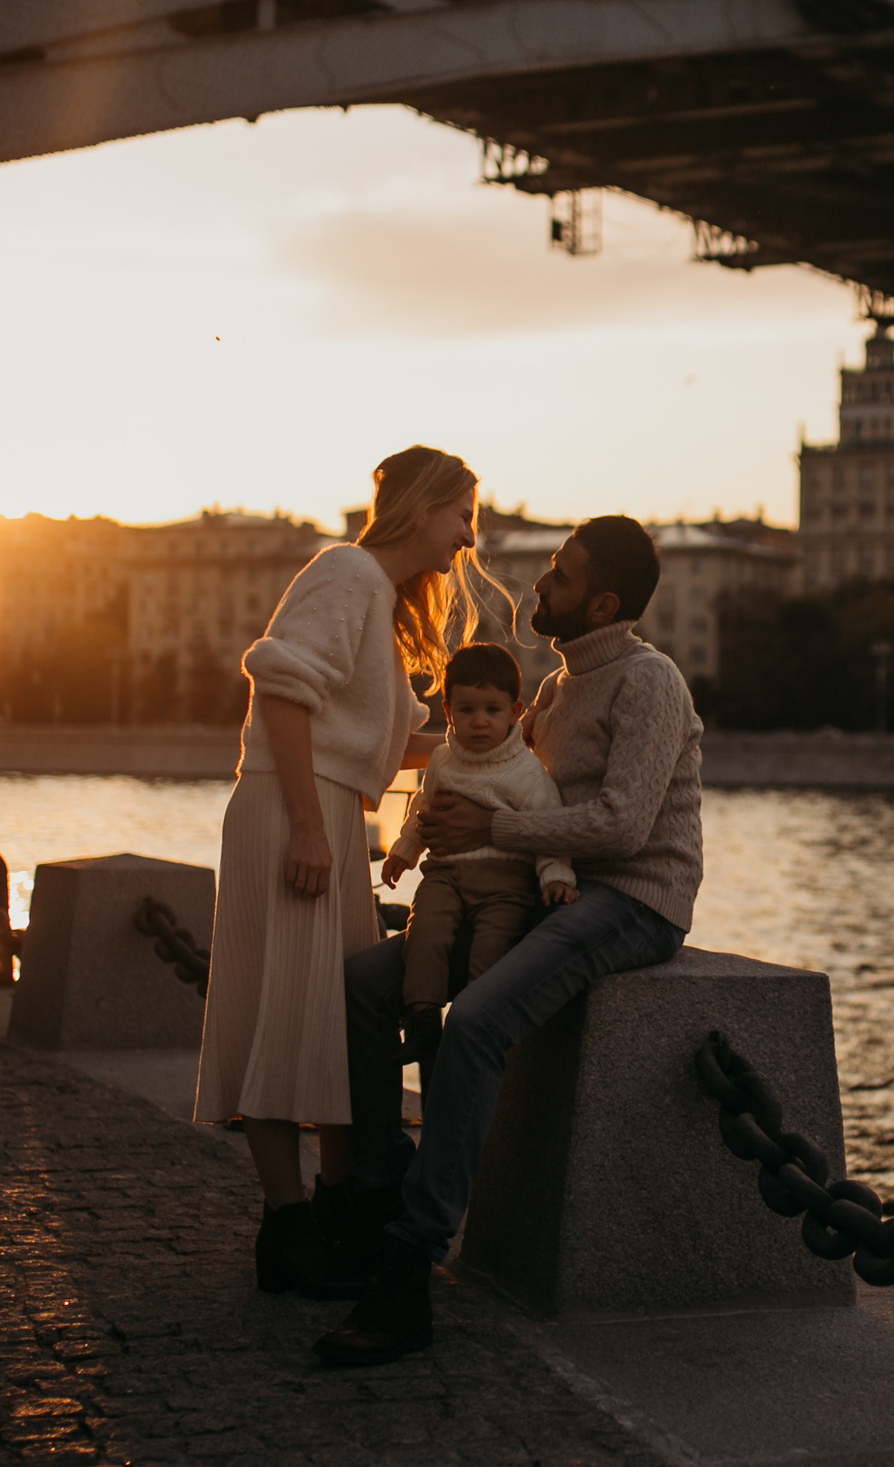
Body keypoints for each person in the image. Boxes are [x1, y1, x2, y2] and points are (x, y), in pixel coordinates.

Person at [316, 514, 702, 1366]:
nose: (539, 584)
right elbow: (506, 783)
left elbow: (624, 824)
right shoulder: (558, 688)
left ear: (601, 602)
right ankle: (380, 1198)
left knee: (479, 1019)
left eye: (559, 574)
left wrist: (489, 827)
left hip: (631, 898)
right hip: (542, 888)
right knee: (364, 986)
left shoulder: (650, 680)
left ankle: (409, 1265)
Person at [191, 445, 485, 1299]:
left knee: (332, 1017)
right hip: (296, 811)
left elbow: (379, 746)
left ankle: (328, 1211)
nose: (469, 537)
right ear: (424, 505)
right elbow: (281, 692)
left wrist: (504, 739)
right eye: (463, 515)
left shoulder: (375, 595)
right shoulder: (346, 572)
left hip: (322, 809)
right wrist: (311, 830)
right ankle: (287, 1229)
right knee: (286, 1012)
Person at [381, 642, 577, 1063]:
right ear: (448, 711)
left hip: (504, 883)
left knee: (491, 953)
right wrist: (404, 850)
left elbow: (548, 828)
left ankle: (474, 1030)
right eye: (466, 710)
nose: (480, 721)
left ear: (515, 711)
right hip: (444, 875)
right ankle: (423, 1021)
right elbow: (424, 808)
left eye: (492, 710)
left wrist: (556, 875)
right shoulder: (442, 760)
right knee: (423, 935)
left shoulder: (526, 772)